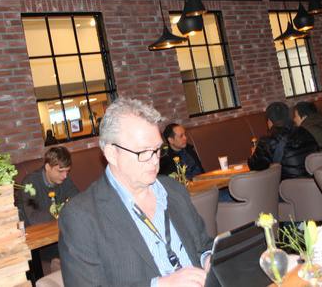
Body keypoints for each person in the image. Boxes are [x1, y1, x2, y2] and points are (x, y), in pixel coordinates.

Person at [59, 98, 213, 287]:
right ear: (111, 153)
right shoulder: (81, 217)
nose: (155, 160)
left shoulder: (174, 190)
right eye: (143, 152)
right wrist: (160, 285)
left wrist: (209, 259)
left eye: (158, 149)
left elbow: (203, 244)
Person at [248, 102, 319, 180]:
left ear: (269, 121)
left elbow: (255, 166)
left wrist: (253, 154)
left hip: (289, 184)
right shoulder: (304, 131)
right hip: (314, 180)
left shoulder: (267, 141)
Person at [20, 146, 79, 226]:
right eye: (60, 171)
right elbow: (33, 218)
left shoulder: (65, 180)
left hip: (60, 226)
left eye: (67, 171)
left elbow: (78, 201)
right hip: (37, 230)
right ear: (47, 167)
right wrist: (62, 212)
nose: (65, 176)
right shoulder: (29, 184)